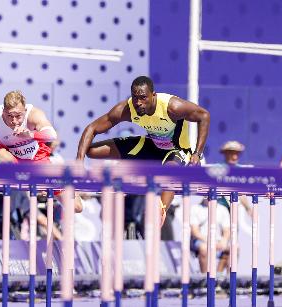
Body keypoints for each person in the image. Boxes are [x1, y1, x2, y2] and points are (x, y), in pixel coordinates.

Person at [76, 75, 210, 223]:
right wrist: (79, 162)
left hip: (176, 150)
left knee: (170, 172)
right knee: (91, 151)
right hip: (151, 146)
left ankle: (160, 211)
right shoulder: (128, 109)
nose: (138, 103)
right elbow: (92, 128)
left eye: (143, 98)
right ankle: (128, 174)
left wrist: (197, 153)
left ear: (153, 96)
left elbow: (204, 115)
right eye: (135, 98)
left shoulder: (172, 107)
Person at [0, 90, 57, 163]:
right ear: (3, 111)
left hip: (37, 157)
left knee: (53, 185)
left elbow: (52, 135)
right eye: (9, 116)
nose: (14, 121)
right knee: (2, 153)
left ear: (25, 110)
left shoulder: (33, 114)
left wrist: (30, 135)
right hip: (12, 159)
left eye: (18, 116)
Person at [190, 198, 230, 273]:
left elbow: (227, 230)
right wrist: (210, 242)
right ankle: (205, 278)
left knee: (233, 248)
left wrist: (224, 241)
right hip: (201, 240)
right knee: (204, 248)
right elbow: (195, 232)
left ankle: (220, 277)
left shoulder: (223, 209)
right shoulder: (195, 208)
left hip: (217, 241)